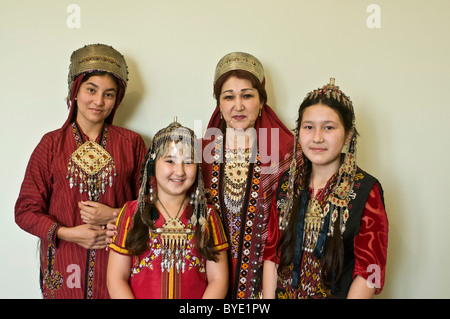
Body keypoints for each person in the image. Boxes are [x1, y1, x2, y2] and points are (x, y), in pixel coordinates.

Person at [14, 44, 147, 299]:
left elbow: (154, 208)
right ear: (75, 91)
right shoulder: (51, 144)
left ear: (117, 99)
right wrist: (69, 233)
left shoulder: (132, 143)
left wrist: (115, 214)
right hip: (63, 267)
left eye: (109, 94)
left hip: (118, 269)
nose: (98, 101)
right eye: (91, 90)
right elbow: (25, 211)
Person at [264, 78, 388, 298]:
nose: (317, 137)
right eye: (308, 127)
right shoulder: (287, 183)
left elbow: (371, 271)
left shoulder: (366, 190)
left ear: (348, 134)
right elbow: (272, 253)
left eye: (329, 127)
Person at [201, 52, 301, 299]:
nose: (238, 105)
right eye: (229, 97)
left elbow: (291, 223)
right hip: (209, 278)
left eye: (247, 95)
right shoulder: (201, 153)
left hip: (266, 277)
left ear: (261, 101)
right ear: (219, 104)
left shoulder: (285, 151)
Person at [107, 119, 229, 299]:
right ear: (152, 165)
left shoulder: (207, 215)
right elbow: (116, 279)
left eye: (188, 162)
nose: (179, 171)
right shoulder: (132, 212)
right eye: (170, 161)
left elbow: (219, 280)